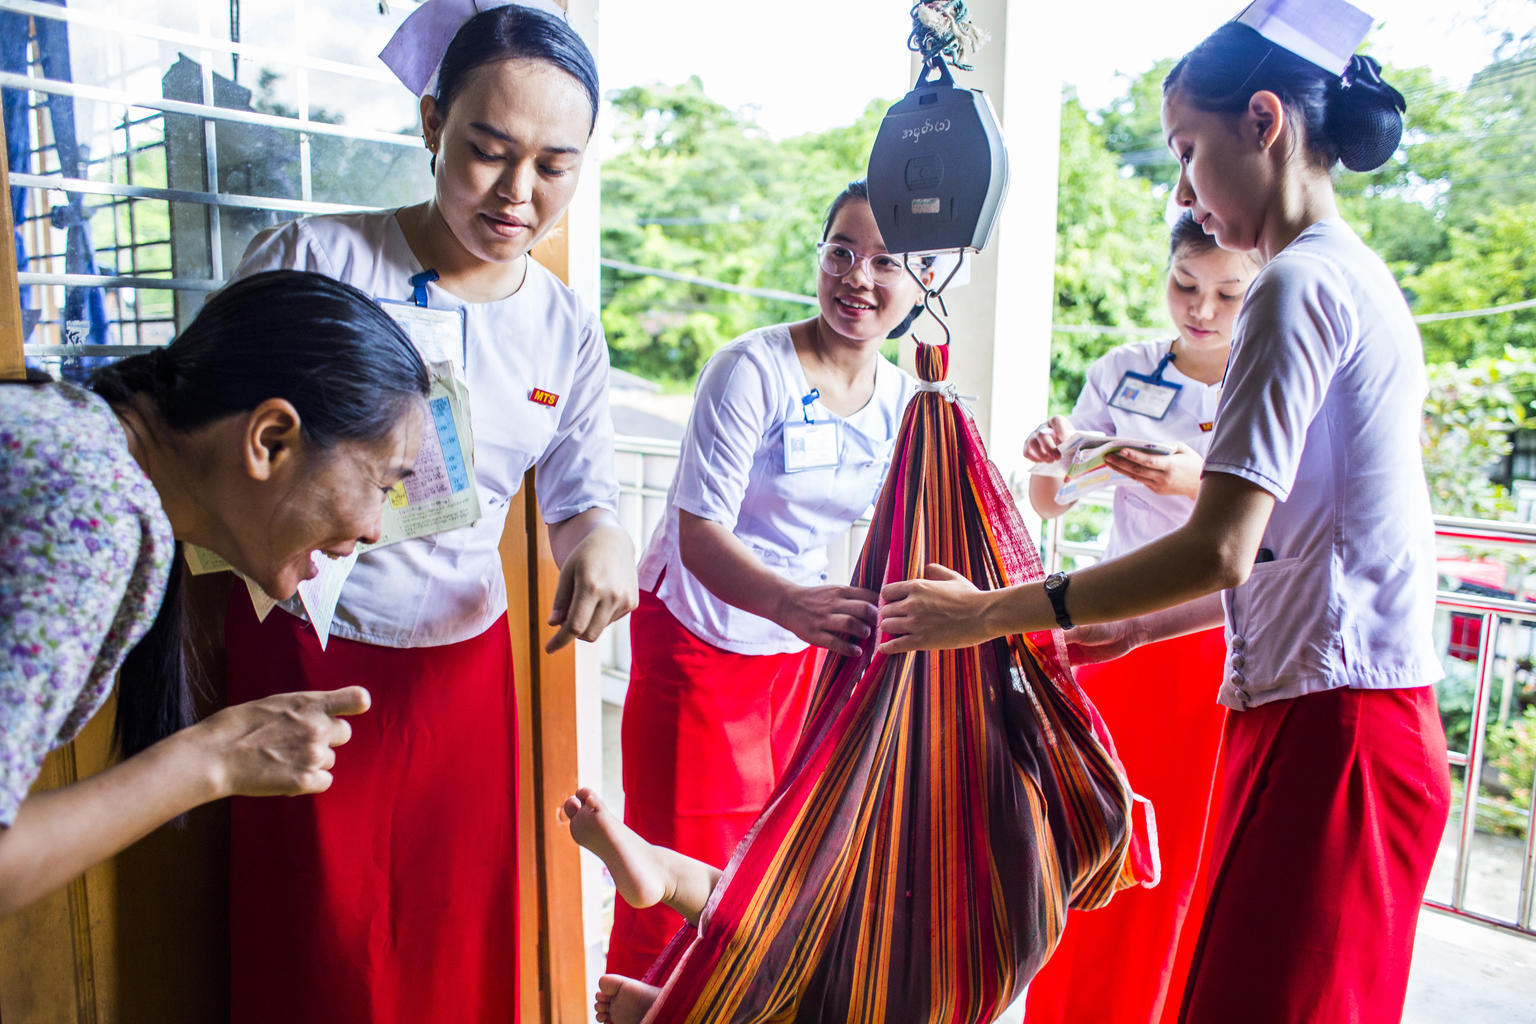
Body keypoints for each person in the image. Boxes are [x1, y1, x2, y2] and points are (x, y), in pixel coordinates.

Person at [877, 6, 1452, 1022]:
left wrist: (983, 613)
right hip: (1333, 714)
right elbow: (1290, 549)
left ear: (1264, 121)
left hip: (1340, 733)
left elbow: (1223, 545)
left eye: (1190, 151)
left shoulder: (1296, 287)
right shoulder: (1349, 277)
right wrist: (1140, 624)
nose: (1184, 189)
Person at [219, 5, 636, 1022]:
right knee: (323, 938)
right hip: (312, 650)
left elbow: (583, 494)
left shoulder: (562, 321)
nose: (517, 193)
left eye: (552, 166)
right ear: (431, 122)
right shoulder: (319, 259)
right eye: (489, 152)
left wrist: (607, 544)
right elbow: (215, 444)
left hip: (463, 669)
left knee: (458, 933)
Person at [0, 269, 428, 918]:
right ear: (269, 440)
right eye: (379, 483)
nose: (373, 528)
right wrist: (215, 758)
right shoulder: (95, 509)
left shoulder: (82, 444)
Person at [609, 179, 924, 977]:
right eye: (842, 252)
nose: (859, 277)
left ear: (921, 285)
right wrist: (792, 603)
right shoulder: (751, 370)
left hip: (800, 647)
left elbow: (875, 531)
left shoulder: (898, 398)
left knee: (768, 859)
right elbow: (699, 532)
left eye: (887, 263)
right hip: (700, 633)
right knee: (675, 861)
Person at [1021, 213, 1259, 1024]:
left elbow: (1270, 523)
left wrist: (1191, 481)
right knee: (1098, 837)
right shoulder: (1121, 371)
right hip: (1117, 633)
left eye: (1230, 293)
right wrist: (1054, 455)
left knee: (1183, 856)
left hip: (1210, 641)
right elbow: (1052, 499)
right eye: (1186, 286)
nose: (1203, 309)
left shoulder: (1267, 379)